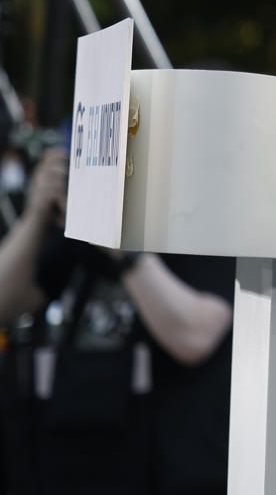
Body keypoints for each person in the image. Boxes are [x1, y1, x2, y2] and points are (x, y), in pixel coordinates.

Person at [0, 146, 234, 494]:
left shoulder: (204, 206)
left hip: (168, 461)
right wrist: (36, 214)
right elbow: (7, 303)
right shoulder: (81, 217)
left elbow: (196, 336)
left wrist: (120, 246)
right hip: (73, 453)